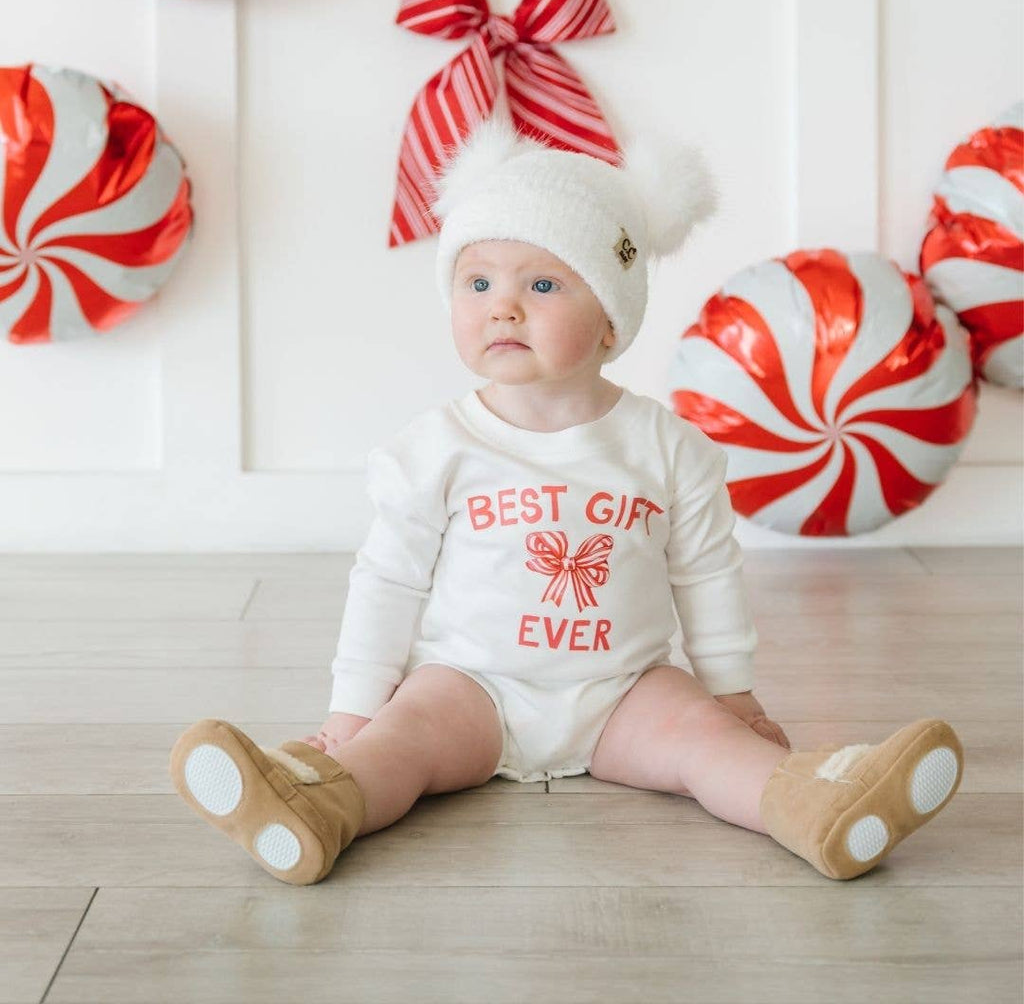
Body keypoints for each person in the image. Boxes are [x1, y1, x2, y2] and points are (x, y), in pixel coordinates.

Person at [170, 118, 963, 887]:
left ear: (611, 321)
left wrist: (733, 696)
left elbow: (707, 575)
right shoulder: (436, 448)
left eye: (542, 284)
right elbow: (389, 581)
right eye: (477, 283)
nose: (502, 307)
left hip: (626, 690)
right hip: (469, 687)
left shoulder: (666, 446)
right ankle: (315, 807)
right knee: (397, 747)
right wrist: (350, 715)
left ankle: (816, 807)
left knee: (707, 746)